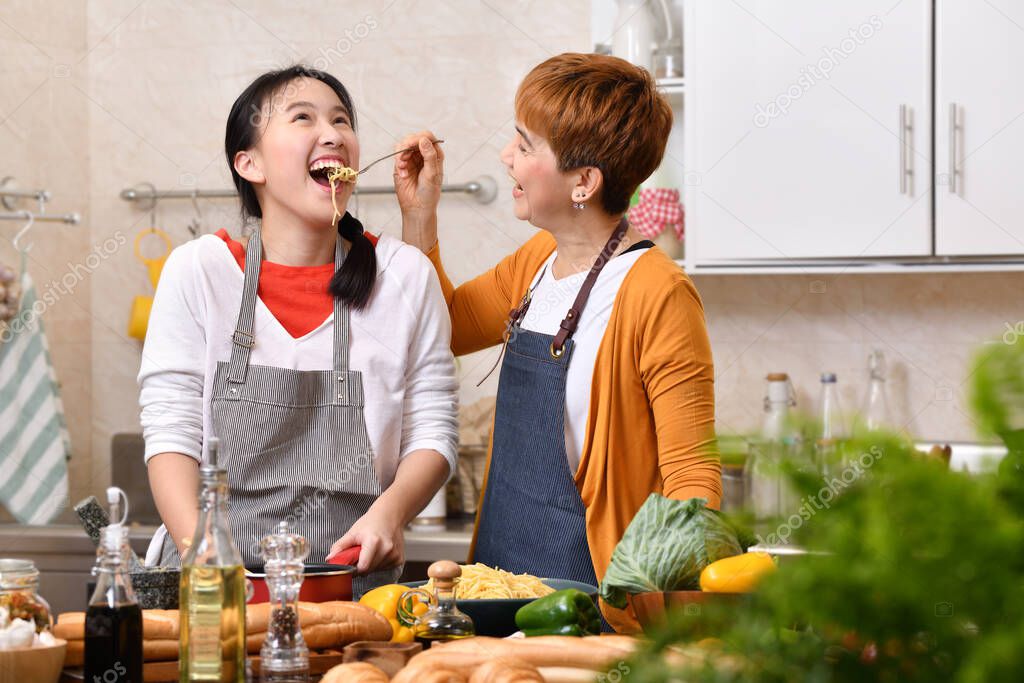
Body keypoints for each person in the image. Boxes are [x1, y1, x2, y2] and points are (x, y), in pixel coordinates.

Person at [396, 53, 722, 631]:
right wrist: (420, 215)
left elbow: (692, 480)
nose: (507, 156)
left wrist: (655, 619)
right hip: (496, 581)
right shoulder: (537, 262)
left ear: (584, 183)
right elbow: (438, 324)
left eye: (525, 145)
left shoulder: (659, 293)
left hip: (594, 601)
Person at [138, 65, 457, 595]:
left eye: (341, 120)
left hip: (350, 582)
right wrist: (207, 552)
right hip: (213, 580)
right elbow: (171, 431)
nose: (332, 133)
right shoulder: (198, 270)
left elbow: (433, 429)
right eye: (303, 118)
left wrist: (390, 513)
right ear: (250, 163)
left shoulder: (404, 275)